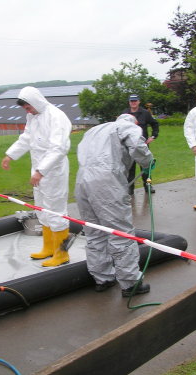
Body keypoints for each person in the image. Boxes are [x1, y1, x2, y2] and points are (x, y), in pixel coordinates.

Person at [75, 114, 154, 297]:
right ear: (133, 122)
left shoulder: (95, 130)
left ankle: (103, 278)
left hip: (82, 181)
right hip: (106, 181)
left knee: (94, 232)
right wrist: (148, 162)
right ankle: (130, 283)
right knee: (120, 232)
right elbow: (137, 145)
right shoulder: (127, 127)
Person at [1, 86, 72, 267]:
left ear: (35, 102)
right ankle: (48, 248)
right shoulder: (32, 117)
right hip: (38, 170)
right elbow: (26, 138)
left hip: (53, 170)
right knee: (41, 209)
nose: (28, 111)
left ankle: (61, 253)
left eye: (28, 107)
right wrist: (10, 155)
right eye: (25, 109)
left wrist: (41, 171)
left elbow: (59, 148)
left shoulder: (56, 117)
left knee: (55, 211)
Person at [123, 94, 159, 194]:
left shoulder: (145, 113)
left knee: (145, 167)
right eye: (131, 101)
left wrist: (153, 136)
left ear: (139, 102)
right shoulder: (125, 113)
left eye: (135, 101)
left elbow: (155, 124)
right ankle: (130, 188)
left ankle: (148, 185)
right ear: (129, 102)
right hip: (128, 146)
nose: (133, 103)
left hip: (142, 145)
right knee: (130, 168)